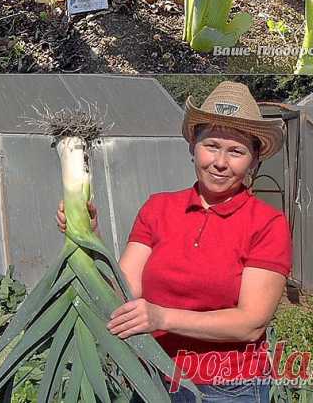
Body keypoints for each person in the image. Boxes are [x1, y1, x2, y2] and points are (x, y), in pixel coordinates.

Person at [56, 81, 292, 401]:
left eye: (236, 151)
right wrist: (89, 237)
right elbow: (122, 294)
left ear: (253, 161)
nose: (220, 162)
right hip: (155, 377)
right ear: (193, 147)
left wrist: (161, 317)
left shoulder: (266, 224)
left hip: (228, 387)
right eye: (211, 145)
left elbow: (249, 323)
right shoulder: (159, 208)